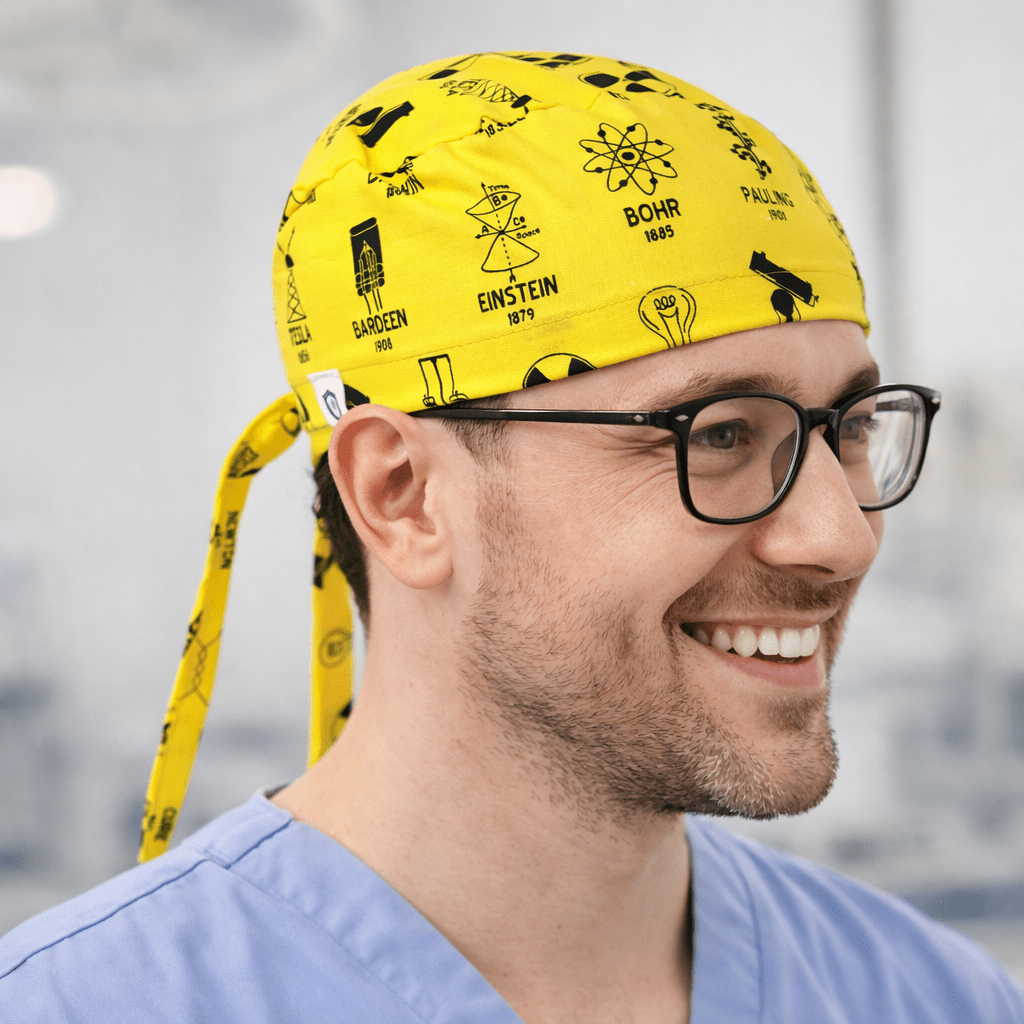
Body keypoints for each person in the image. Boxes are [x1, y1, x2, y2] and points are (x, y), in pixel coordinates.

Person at [1, 51, 1021, 1024]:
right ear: (403, 495)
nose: (840, 536)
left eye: (846, 428)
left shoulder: (928, 994)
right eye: (714, 435)